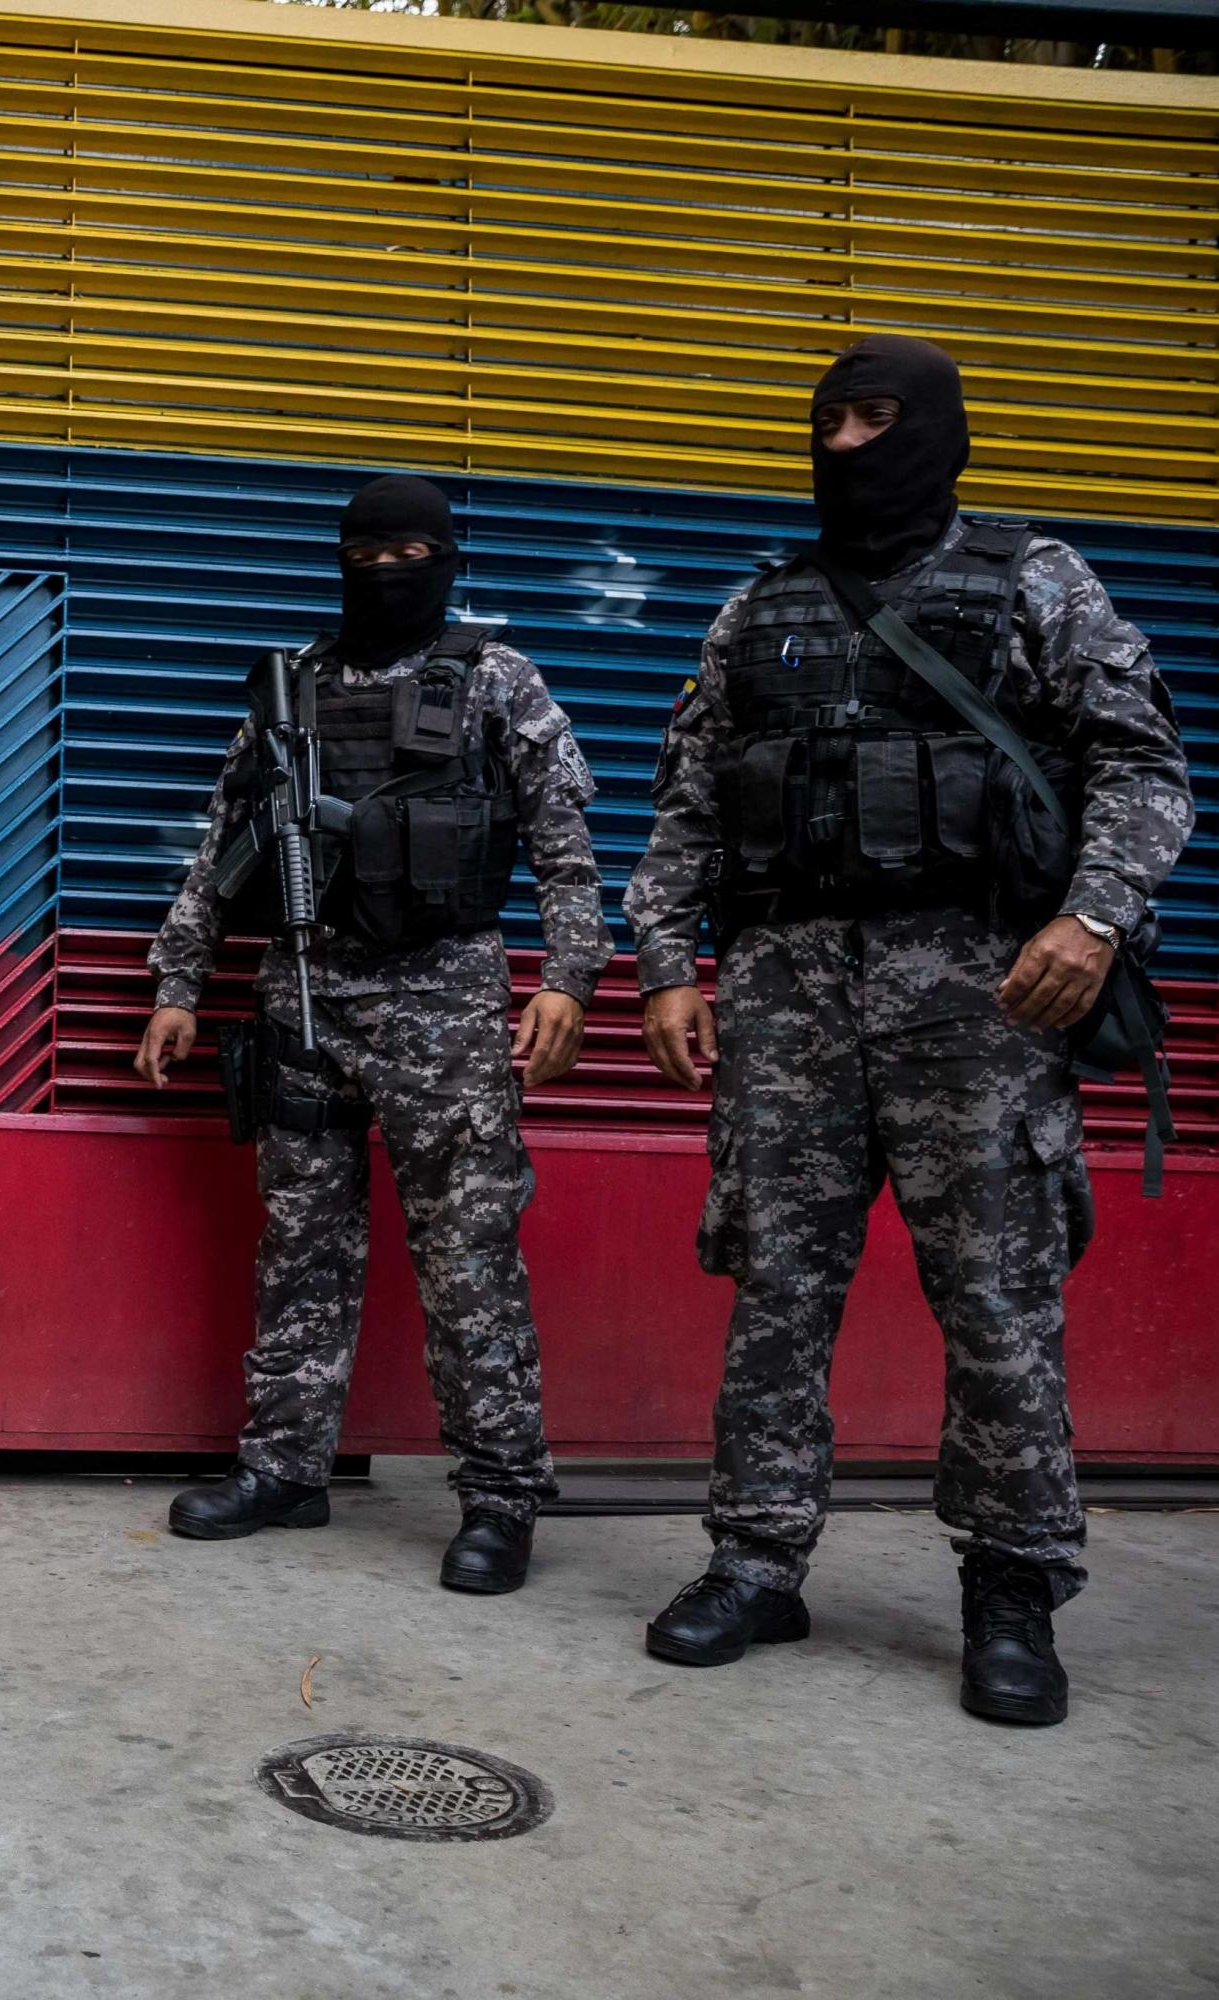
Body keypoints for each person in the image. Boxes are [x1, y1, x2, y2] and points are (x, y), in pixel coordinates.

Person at [623, 334, 1193, 1726]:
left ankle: (1013, 1589)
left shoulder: (1036, 581)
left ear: (937, 431)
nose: (846, 448)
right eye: (828, 423)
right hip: (787, 1000)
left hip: (983, 998)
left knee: (997, 1300)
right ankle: (757, 1559)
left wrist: (1096, 917)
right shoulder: (756, 613)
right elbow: (692, 806)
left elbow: (1143, 766)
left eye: (877, 420)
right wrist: (660, 965)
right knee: (776, 1296)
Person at [134, 476, 611, 1593]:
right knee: (302, 1243)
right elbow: (224, 847)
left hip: (444, 999)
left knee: (468, 1255)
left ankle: (499, 1497)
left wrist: (572, 980)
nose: (387, 568)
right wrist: (178, 981)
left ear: (447, 557)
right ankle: (286, 1467)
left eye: (411, 549)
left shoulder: (498, 679)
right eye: (367, 548)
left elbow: (566, 841)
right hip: (305, 993)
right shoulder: (290, 688)